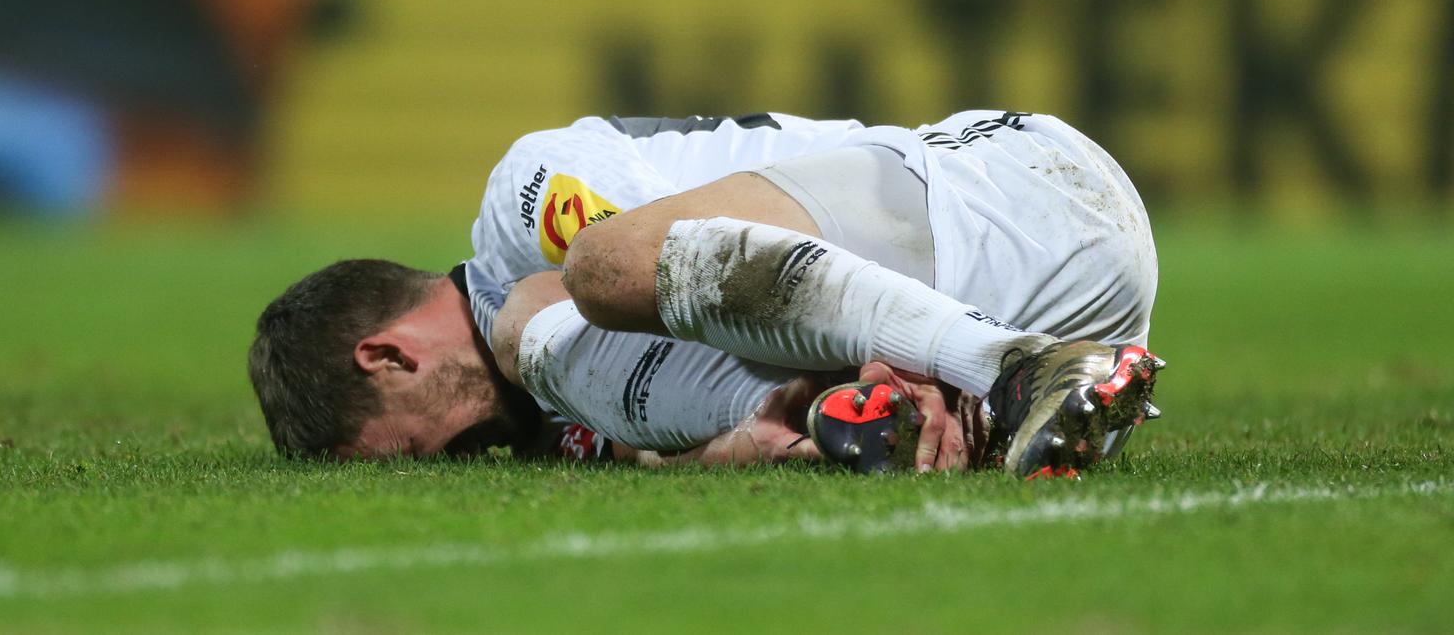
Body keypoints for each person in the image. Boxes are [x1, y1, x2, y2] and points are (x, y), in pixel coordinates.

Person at [248, 110, 1163, 479]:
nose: (453, 467)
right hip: (1086, 307)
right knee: (834, 431)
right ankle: (1000, 382)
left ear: (388, 354)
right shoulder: (577, 423)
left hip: (1001, 191)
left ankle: (1008, 368)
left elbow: (660, 248)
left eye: (414, 454)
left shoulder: (512, 212)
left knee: (588, 277)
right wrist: (753, 440)